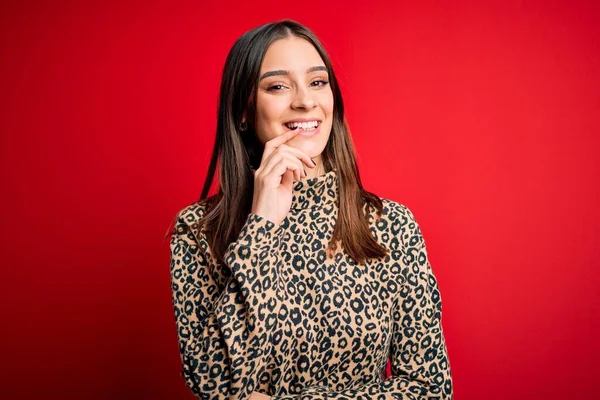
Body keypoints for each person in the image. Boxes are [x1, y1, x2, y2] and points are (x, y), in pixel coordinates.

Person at [168, 19, 453, 400]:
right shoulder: (197, 232)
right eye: (278, 86)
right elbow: (213, 381)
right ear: (244, 111)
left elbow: (429, 389)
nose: (305, 100)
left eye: (318, 82)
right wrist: (262, 225)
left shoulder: (391, 225)